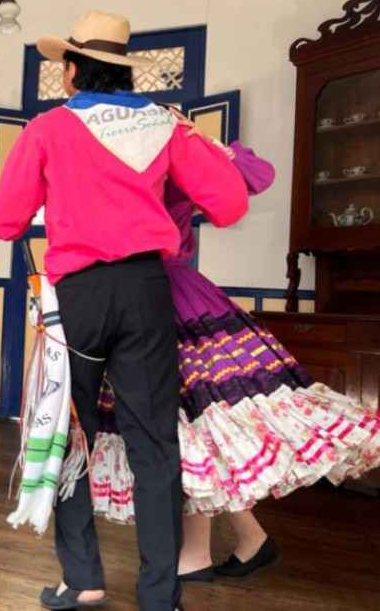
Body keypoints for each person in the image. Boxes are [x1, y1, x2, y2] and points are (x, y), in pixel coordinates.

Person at [0, 10, 249, 611]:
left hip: (78, 297)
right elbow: (230, 204)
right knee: (154, 443)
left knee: (68, 433)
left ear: (74, 70)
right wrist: (193, 140)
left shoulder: (48, 127)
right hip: (146, 289)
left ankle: (83, 578)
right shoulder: (165, 124)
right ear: (123, 72)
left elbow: (3, 221)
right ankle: (160, 596)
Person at [90, 120, 380, 582]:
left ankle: (200, 554)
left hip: (169, 293)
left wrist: (204, 139)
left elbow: (258, 175)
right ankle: (251, 541)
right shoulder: (115, 162)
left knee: (191, 422)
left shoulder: (173, 156)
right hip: (141, 294)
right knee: (193, 425)